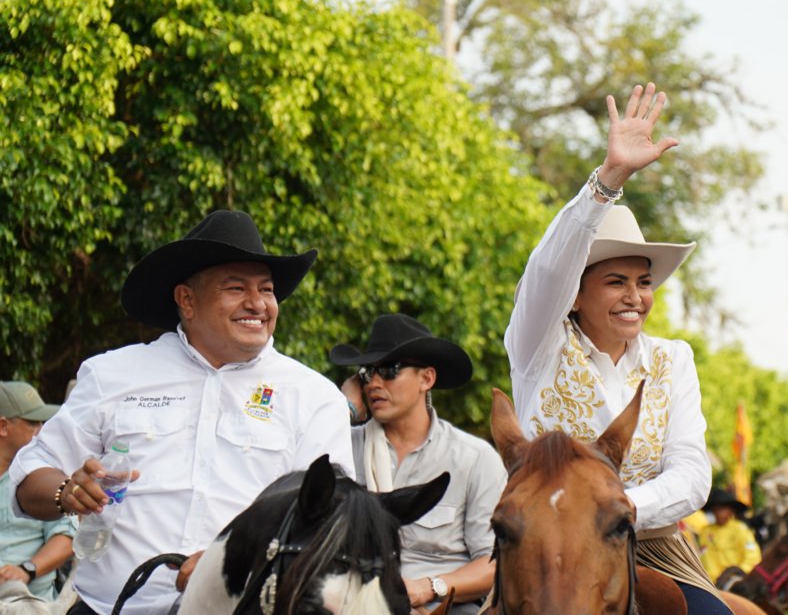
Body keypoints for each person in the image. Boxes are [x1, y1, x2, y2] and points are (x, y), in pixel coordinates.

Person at [8, 210, 355, 615]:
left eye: (266, 289)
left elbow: (333, 520)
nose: (257, 303)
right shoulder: (112, 375)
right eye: (236, 288)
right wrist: (67, 491)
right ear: (187, 300)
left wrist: (234, 559)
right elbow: (30, 477)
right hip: (108, 609)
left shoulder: (313, 397)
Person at [504, 83, 728, 613]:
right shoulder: (540, 345)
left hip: (651, 551)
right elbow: (547, 271)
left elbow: (692, 473)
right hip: (544, 552)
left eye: (643, 282)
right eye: (615, 282)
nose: (635, 297)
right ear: (575, 295)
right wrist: (608, 181)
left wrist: (615, 509)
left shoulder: (673, 359)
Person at [331, 314, 505, 614]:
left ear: (426, 379)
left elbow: (493, 563)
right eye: (367, 373)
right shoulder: (341, 447)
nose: (374, 383)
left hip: (445, 605)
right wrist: (343, 410)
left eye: (389, 370)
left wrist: (426, 588)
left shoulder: (474, 458)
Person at [0, 382, 75, 601]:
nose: (42, 430)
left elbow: (67, 538)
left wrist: (26, 570)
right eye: (32, 423)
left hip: (28, 601)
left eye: (43, 422)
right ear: (3, 426)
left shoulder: (44, 479)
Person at [696, 488, 762, 582]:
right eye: (715, 510)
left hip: (734, 581)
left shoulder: (740, 529)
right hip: (710, 583)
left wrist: (737, 574)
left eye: (722, 509)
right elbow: (704, 559)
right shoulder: (706, 532)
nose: (718, 513)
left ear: (731, 510)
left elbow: (753, 557)